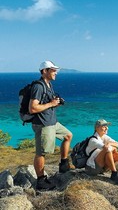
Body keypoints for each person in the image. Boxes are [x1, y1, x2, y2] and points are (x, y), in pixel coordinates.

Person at [29, 60, 73, 190]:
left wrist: (56, 103)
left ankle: (63, 164)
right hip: (43, 124)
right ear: (44, 71)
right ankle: (41, 181)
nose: (56, 73)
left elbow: (47, 103)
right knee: (41, 153)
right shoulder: (38, 86)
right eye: (53, 70)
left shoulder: (48, 85)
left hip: (52, 121)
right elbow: (33, 108)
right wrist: (51, 104)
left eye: (56, 70)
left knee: (68, 136)